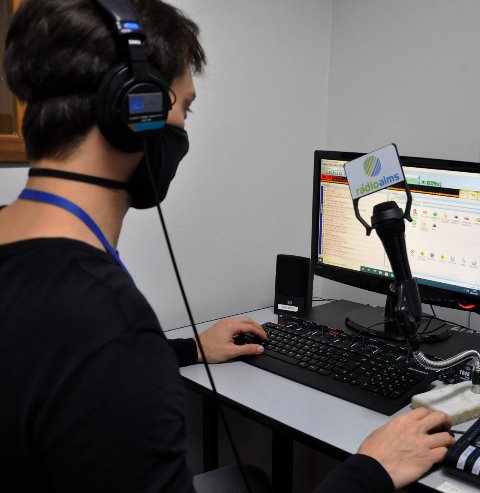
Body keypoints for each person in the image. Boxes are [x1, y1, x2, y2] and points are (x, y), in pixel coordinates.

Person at [0, 1, 455, 492]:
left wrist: (189, 348)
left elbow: (50, 366)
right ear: (134, 110)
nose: (183, 126)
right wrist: (372, 469)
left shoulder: (50, 290)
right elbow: (95, 360)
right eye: (184, 107)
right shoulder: (107, 328)